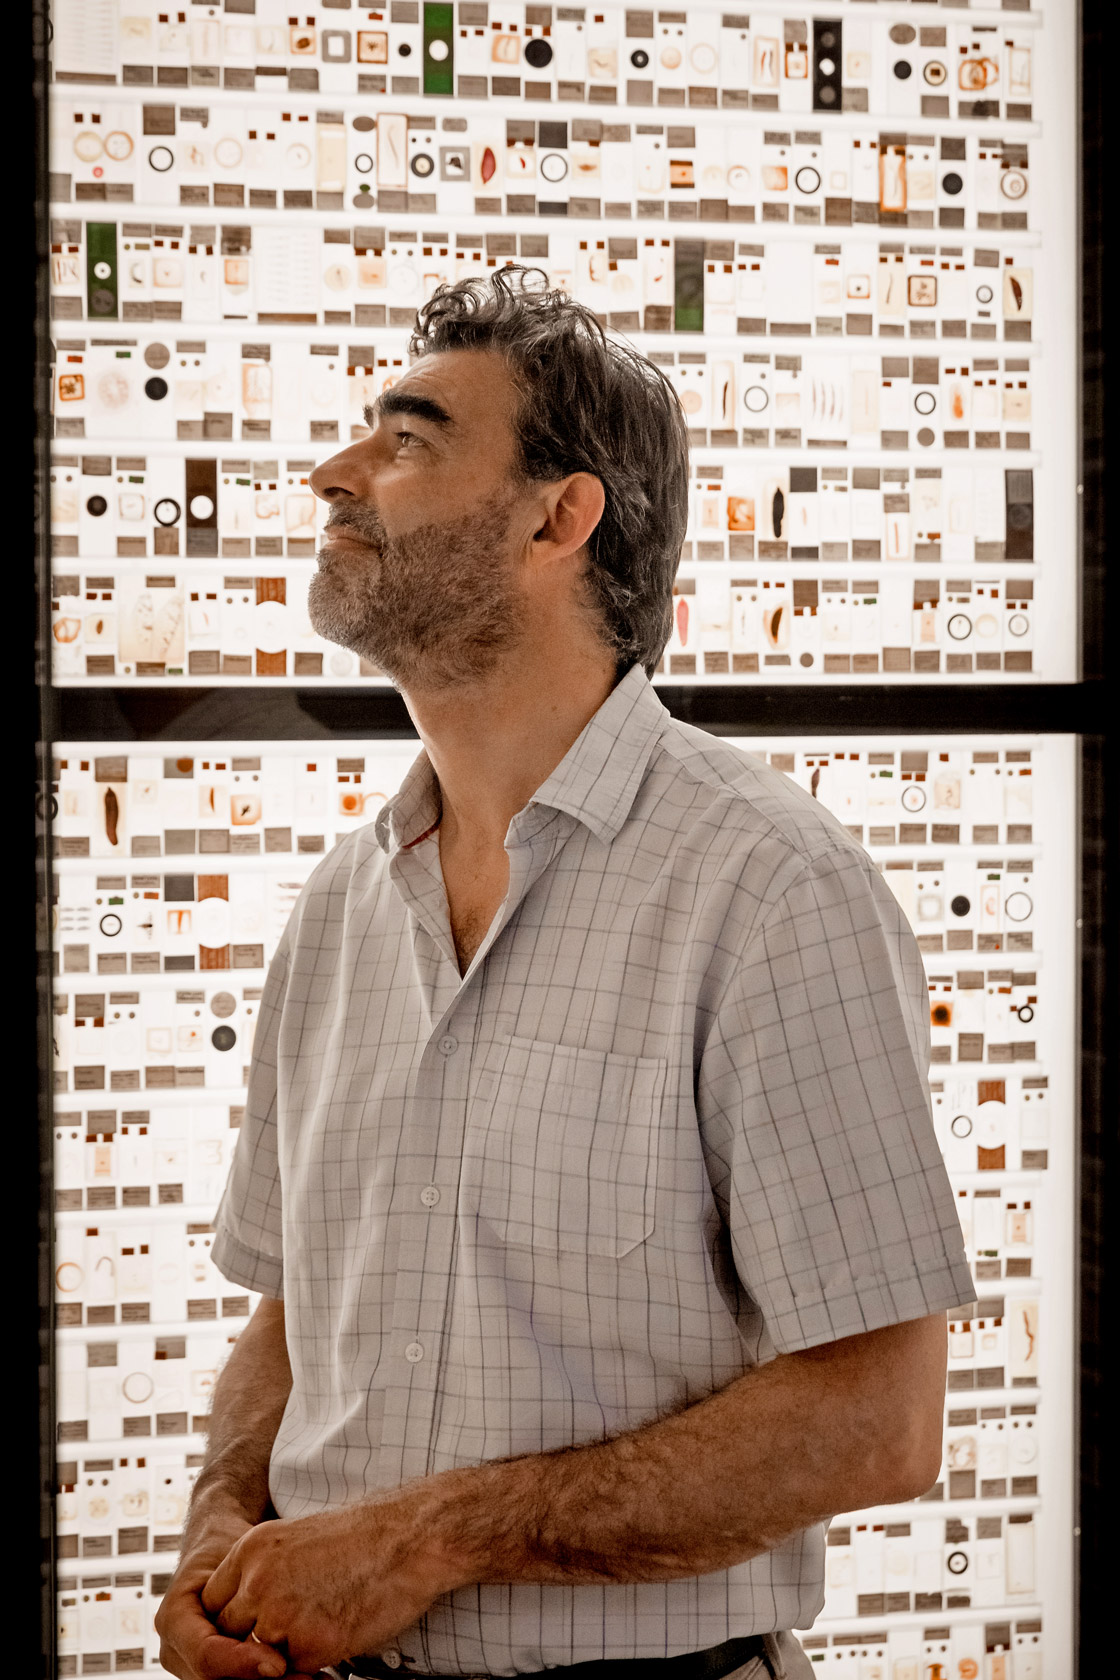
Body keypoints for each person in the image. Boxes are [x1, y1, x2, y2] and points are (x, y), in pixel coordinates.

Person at [155, 268, 975, 1680]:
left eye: (406, 440)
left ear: (558, 516)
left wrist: (426, 1542)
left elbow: (877, 1422)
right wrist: (221, 1535)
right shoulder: (343, 906)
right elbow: (293, 1312)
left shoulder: (772, 890)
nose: (333, 474)